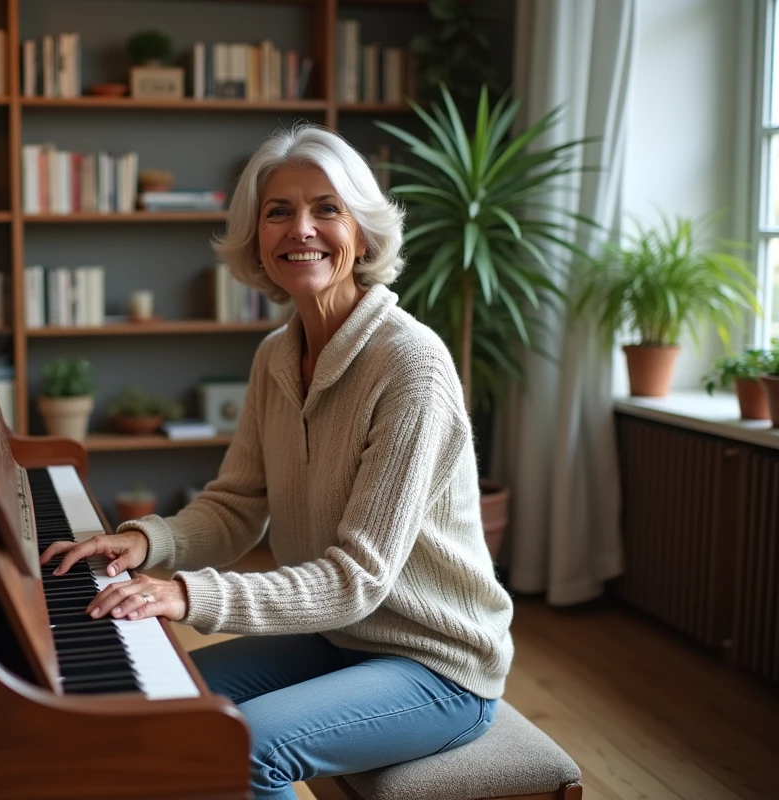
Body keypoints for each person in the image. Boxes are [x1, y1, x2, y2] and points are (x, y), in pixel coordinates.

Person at [40, 123, 514, 800]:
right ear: (256, 240)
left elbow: (358, 578)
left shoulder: (411, 366)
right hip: (336, 637)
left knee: (241, 748)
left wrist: (186, 594)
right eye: (278, 211)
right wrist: (147, 541)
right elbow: (236, 506)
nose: (303, 228)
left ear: (363, 231)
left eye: (327, 208)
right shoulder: (275, 356)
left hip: (436, 663)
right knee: (157, 707)